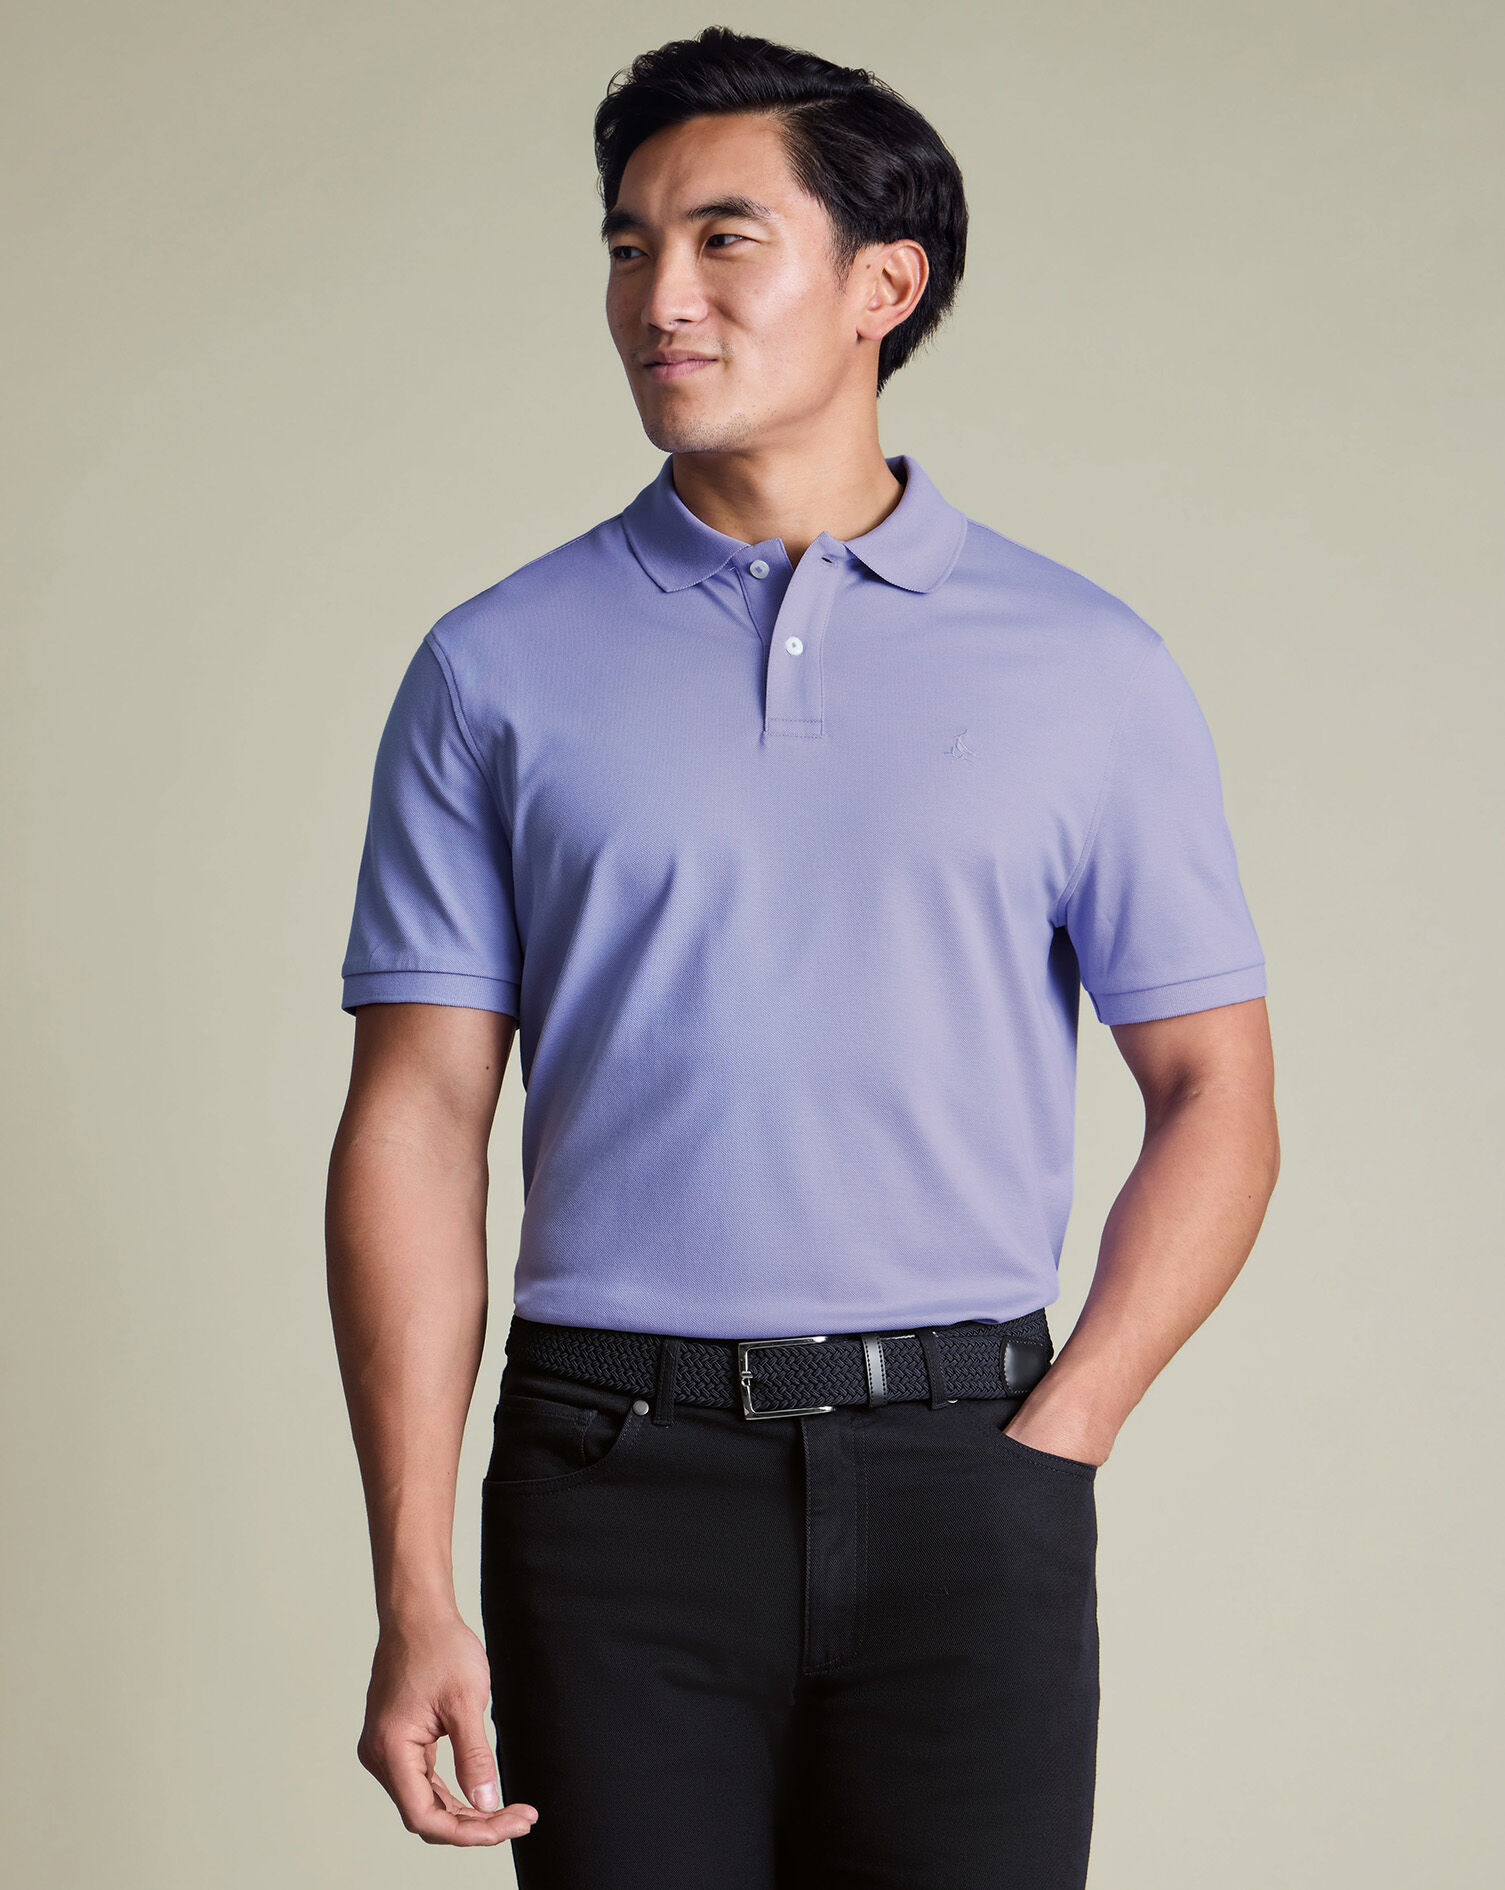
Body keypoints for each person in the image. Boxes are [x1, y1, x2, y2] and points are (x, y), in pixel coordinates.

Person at [325, 26, 1279, 1890]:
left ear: (880, 285)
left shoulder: (1087, 666)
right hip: (607, 1481)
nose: (657, 297)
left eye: (721, 239)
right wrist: (415, 1584)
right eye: (627, 247)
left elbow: (1215, 1095)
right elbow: (415, 1122)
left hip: (967, 1475)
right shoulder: (492, 667)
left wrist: (1058, 1432)